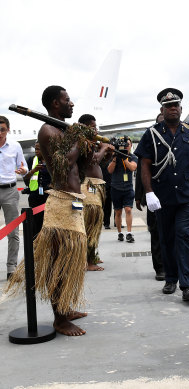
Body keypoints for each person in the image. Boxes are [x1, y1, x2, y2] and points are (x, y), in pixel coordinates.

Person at [7, 85, 95, 336]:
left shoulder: (64, 130)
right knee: (60, 261)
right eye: (67, 100)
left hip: (75, 199)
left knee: (73, 261)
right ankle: (59, 318)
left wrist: (87, 144)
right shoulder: (47, 130)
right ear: (55, 103)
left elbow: (82, 165)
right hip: (61, 203)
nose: (72, 104)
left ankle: (65, 308)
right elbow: (61, 164)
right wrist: (77, 138)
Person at [135, 88, 189, 301]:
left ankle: (187, 285)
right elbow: (144, 165)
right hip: (161, 196)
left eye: (176, 105)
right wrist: (149, 193)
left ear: (181, 108)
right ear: (162, 109)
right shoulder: (151, 134)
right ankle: (171, 278)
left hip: (186, 195)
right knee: (167, 238)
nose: (172, 109)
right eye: (168, 106)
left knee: (184, 235)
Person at [79, 114, 112, 270]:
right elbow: (93, 161)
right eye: (93, 127)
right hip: (88, 186)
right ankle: (87, 261)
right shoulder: (83, 143)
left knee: (96, 224)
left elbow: (99, 164)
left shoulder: (91, 143)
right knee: (90, 222)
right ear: (85, 127)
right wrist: (104, 148)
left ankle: (92, 255)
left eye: (96, 126)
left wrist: (108, 154)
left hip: (96, 186)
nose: (96, 130)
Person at [135, 112, 165, 281]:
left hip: (174, 195)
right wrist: (139, 196)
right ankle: (160, 268)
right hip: (154, 194)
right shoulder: (150, 139)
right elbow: (141, 170)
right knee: (156, 232)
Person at [0, 115, 27, 280]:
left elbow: (23, 166)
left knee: (13, 231)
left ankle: (11, 268)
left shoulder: (15, 146)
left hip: (10, 190)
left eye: (2, 129)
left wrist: (23, 171)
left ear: (8, 130)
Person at [107, 138, 137, 243]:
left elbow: (133, 167)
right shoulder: (114, 156)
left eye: (128, 144)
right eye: (125, 145)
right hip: (115, 188)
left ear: (131, 145)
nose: (126, 146)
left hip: (128, 188)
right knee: (118, 212)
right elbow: (110, 170)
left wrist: (124, 158)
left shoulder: (132, 157)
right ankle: (119, 233)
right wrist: (115, 158)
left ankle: (129, 233)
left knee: (128, 209)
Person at [23, 141, 50, 240]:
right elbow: (25, 178)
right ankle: (35, 243)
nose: (36, 151)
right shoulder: (31, 160)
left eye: (39, 149)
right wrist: (34, 170)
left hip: (48, 197)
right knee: (35, 223)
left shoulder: (51, 161)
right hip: (35, 197)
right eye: (35, 149)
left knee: (47, 222)